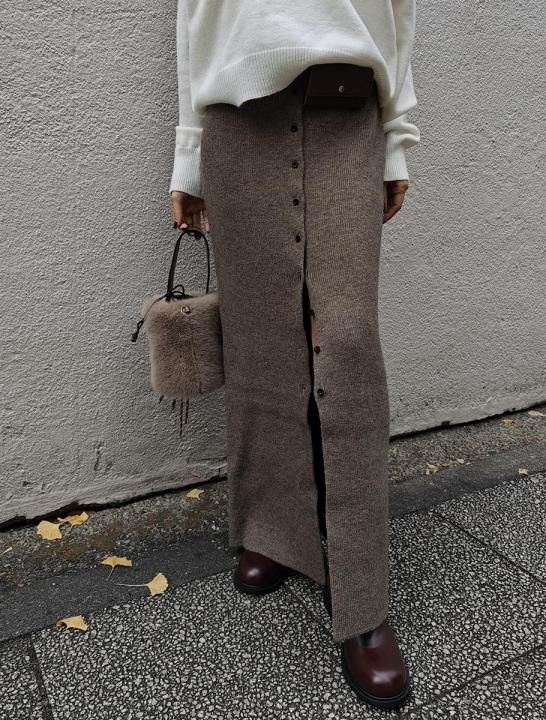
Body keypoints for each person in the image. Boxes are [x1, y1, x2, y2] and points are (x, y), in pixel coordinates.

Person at [169, 0, 420, 709]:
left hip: (348, 113)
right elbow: (195, 18)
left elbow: (399, 14)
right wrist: (188, 157)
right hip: (236, 122)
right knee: (259, 338)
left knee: (346, 343)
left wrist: (396, 142)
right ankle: (274, 531)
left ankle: (364, 600)